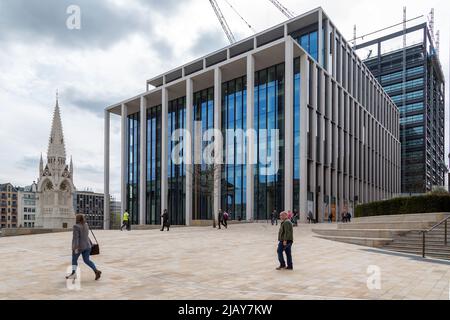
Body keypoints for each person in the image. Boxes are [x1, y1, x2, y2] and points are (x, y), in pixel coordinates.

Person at [66, 214, 101, 281]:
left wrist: (75, 248)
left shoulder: (76, 226)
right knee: (87, 260)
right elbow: (86, 235)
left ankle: (73, 274)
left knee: (74, 260)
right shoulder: (86, 225)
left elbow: (76, 238)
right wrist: (90, 243)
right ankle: (96, 271)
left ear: (77, 219)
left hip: (79, 247)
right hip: (88, 246)